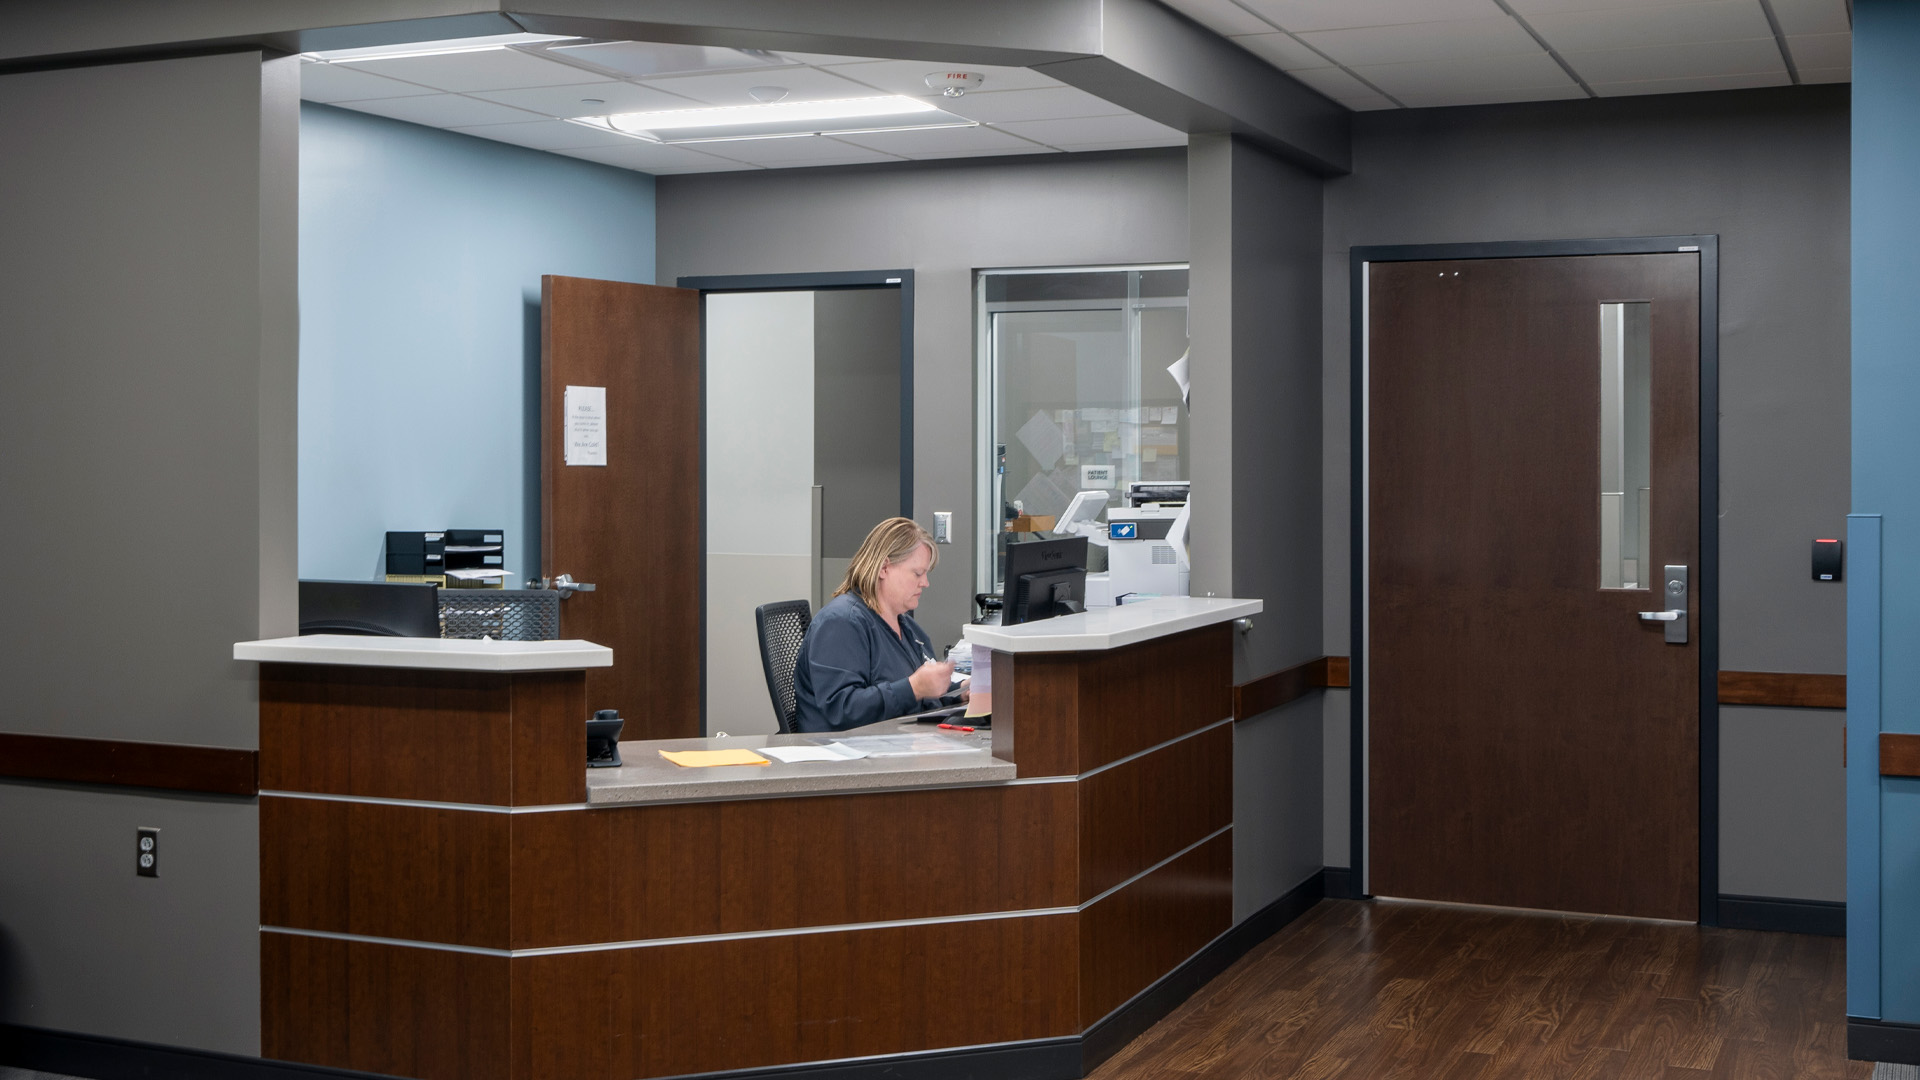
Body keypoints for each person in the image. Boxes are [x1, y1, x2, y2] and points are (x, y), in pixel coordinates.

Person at [792, 517, 965, 732]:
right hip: (847, 754)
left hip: (893, 742)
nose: (925, 583)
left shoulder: (907, 628)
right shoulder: (841, 623)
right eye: (918, 573)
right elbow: (842, 709)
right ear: (884, 568)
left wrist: (958, 693)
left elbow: (916, 699)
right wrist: (914, 688)